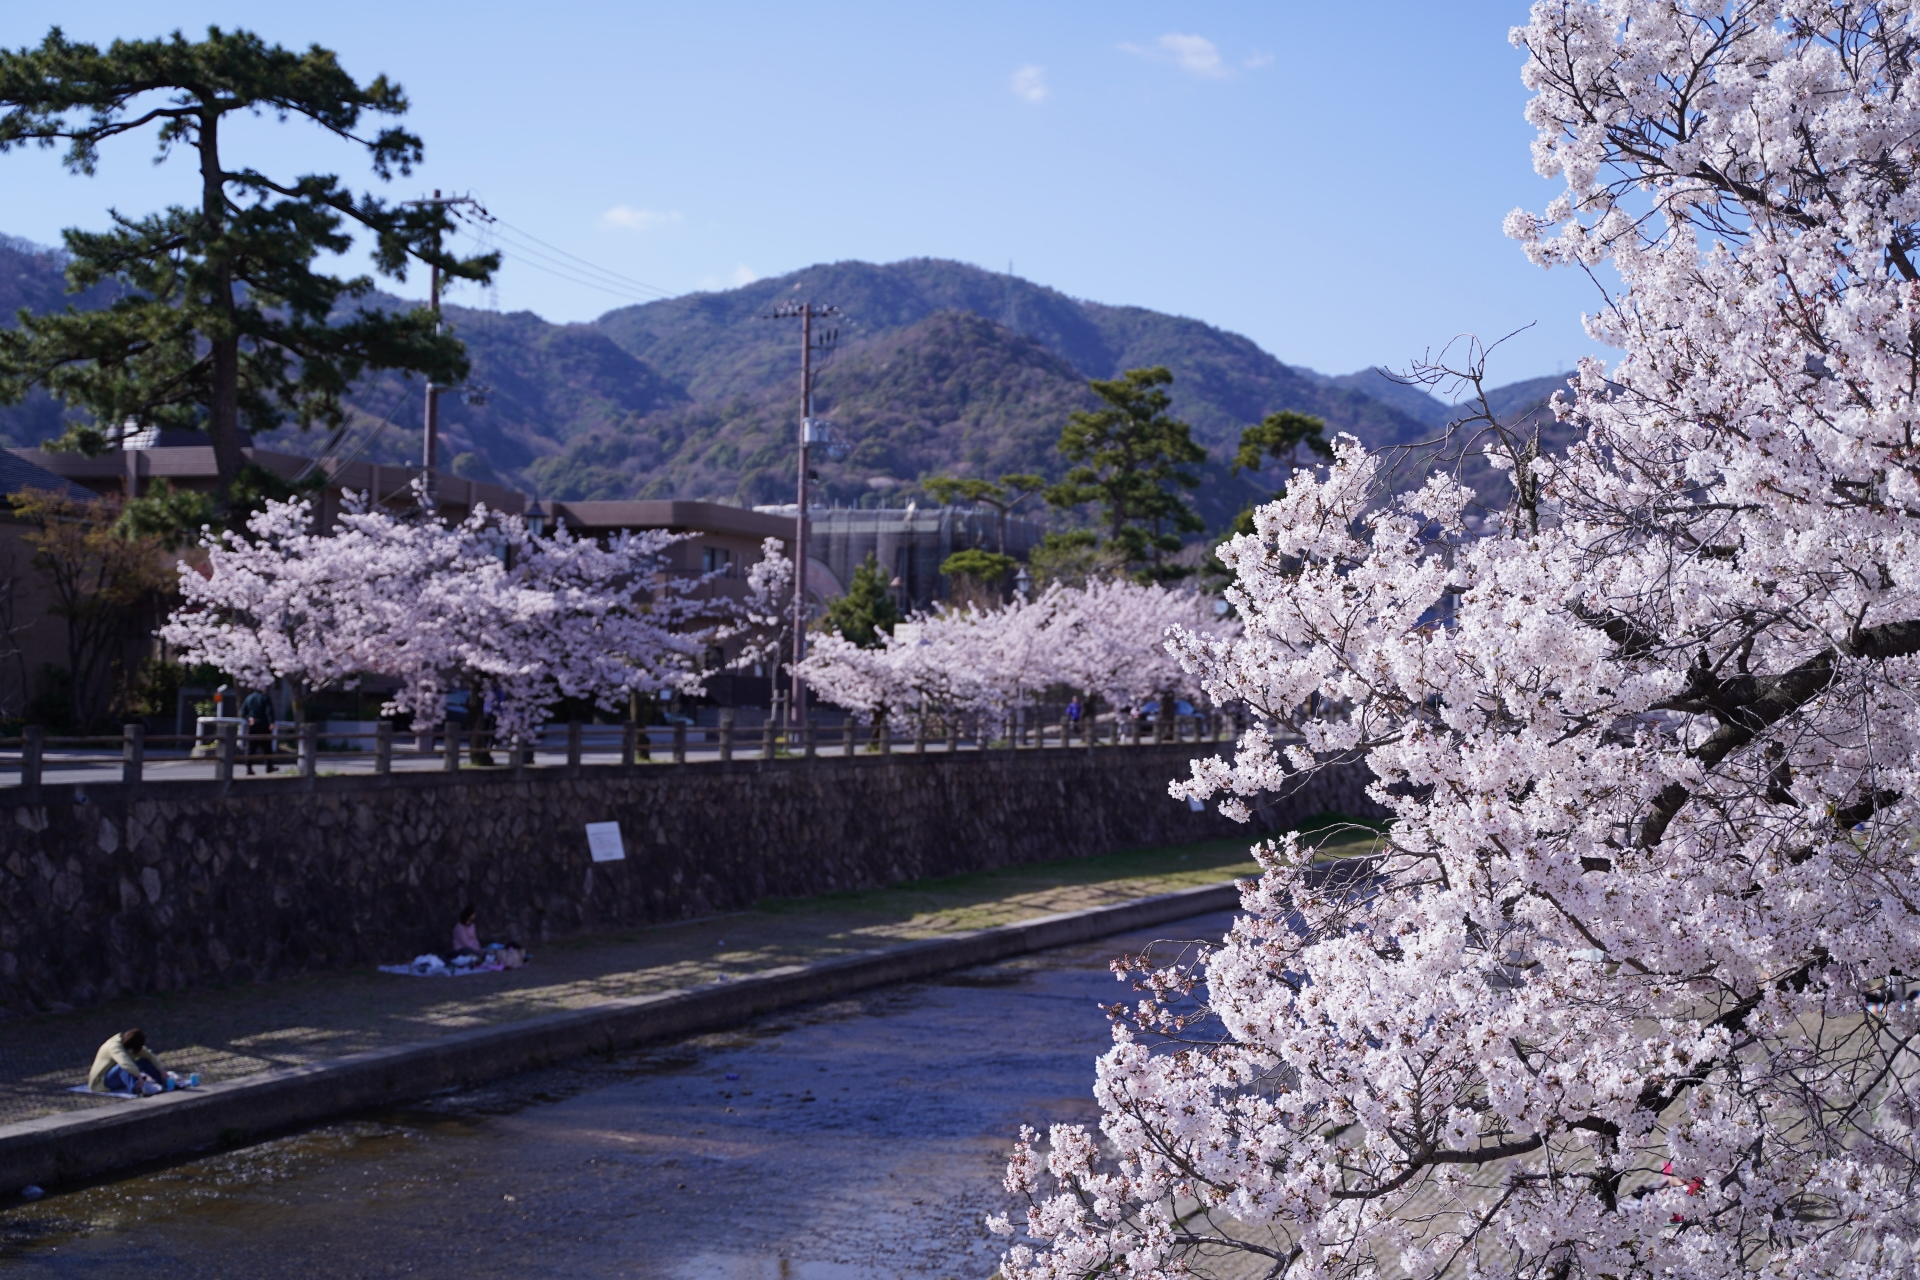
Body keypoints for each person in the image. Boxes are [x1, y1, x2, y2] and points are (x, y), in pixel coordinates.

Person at [89, 1028, 166, 1095]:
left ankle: (163, 1081)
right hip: (102, 1082)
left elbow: (149, 1055)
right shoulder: (114, 1046)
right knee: (124, 1067)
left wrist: (163, 1072)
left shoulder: (130, 1044)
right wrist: (139, 1076)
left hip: (117, 1077)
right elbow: (125, 1063)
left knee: (144, 1061)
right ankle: (137, 1089)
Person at [240, 687, 276, 775]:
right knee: (267, 747)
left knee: (251, 747)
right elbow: (269, 710)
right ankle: (269, 766)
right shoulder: (265, 697)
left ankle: (248, 768)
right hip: (264, 725)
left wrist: (249, 718)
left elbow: (242, 712)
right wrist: (271, 722)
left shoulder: (249, 698)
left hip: (253, 725)